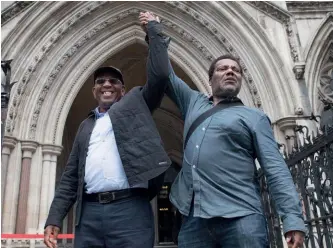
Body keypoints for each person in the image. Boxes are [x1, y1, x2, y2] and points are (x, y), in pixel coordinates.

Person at [140, 14, 306, 248]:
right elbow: (165, 74)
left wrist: (292, 219)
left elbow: (275, 169)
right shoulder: (194, 102)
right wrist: (154, 32)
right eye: (223, 69)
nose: (230, 72)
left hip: (241, 219)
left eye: (235, 70)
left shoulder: (254, 117)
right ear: (210, 79)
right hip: (194, 219)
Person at [44, 12, 171, 248]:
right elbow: (71, 177)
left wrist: (153, 32)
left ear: (123, 90)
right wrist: (54, 218)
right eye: (101, 81)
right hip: (90, 214)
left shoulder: (136, 104)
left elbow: (160, 75)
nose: (107, 85)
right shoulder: (86, 125)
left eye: (113, 82)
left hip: (130, 210)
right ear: (94, 91)